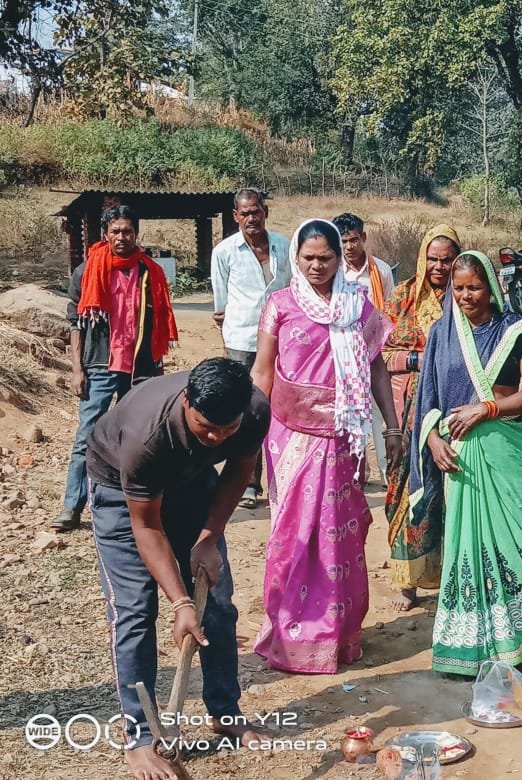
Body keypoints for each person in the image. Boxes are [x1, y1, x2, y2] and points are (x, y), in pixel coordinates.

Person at [87, 357, 270, 780]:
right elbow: (148, 526)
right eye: (206, 427)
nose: (217, 437)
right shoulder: (146, 436)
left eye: (227, 430)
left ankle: (225, 713)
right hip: (120, 489)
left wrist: (208, 538)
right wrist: (181, 602)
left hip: (192, 484)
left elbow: (240, 471)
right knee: (134, 609)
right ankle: (140, 738)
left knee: (219, 606)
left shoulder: (254, 410)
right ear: (188, 401)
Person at [251, 219, 402, 673]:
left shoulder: (358, 306)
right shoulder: (279, 305)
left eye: (326, 258)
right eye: (309, 258)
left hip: (342, 437)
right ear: (295, 258)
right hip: (291, 436)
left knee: (340, 536)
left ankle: (338, 635)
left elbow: (376, 369)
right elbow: (262, 372)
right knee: (293, 536)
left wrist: (391, 428)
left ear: (340, 259)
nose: (317, 266)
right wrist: (248, 431)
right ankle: (291, 632)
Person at [409, 251, 522, 681]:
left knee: (517, 543)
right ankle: (469, 644)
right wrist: (433, 439)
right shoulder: (441, 333)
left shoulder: (516, 331)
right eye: (459, 289)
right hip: (460, 456)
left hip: (503, 448)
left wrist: (487, 408)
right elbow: (429, 399)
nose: (466, 296)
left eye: (474, 287)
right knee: (467, 548)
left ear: (490, 287)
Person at [51, 204, 178, 533]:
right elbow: (76, 323)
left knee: (140, 436)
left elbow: (155, 323)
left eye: (127, 231)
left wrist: (157, 368)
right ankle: (71, 506)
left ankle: (135, 503)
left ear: (136, 233)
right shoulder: (88, 270)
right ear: (106, 234)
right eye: (116, 231)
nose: (122, 237)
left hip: (140, 367)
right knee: (87, 436)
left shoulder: (150, 271)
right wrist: (76, 368)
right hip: (99, 364)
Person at [383, 224, 461, 611]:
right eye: (432, 259)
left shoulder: (466, 294)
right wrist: (420, 358)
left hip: (454, 407)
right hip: (408, 410)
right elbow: (381, 355)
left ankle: (450, 573)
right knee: (406, 488)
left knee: (451, 490)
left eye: (447, 260)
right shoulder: (402, 298)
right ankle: (409, 581)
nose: (439, 267)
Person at [210, 187, 291, 509]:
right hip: (242, 340)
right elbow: (220, 304)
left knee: (281, 408)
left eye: (256, 211)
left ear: (265, 211)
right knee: (246, 410)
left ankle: (282, 480)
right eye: (244, 213)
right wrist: (227, 338)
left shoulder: (285, 247)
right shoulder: (225, 252)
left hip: (283, 339)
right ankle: (248, 483)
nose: (251, 218)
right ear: (235, 216)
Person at [332, 212, 396, 487]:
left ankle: (387, 473)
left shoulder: (380, 271)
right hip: (344, 353)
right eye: (343, 241)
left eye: (353, 240)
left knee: (381, 411)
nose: (349, 247)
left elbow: (389, 311)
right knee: (349, 413)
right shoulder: (333, 270)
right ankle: (356, 472)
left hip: (374, 352)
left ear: (364, 238)